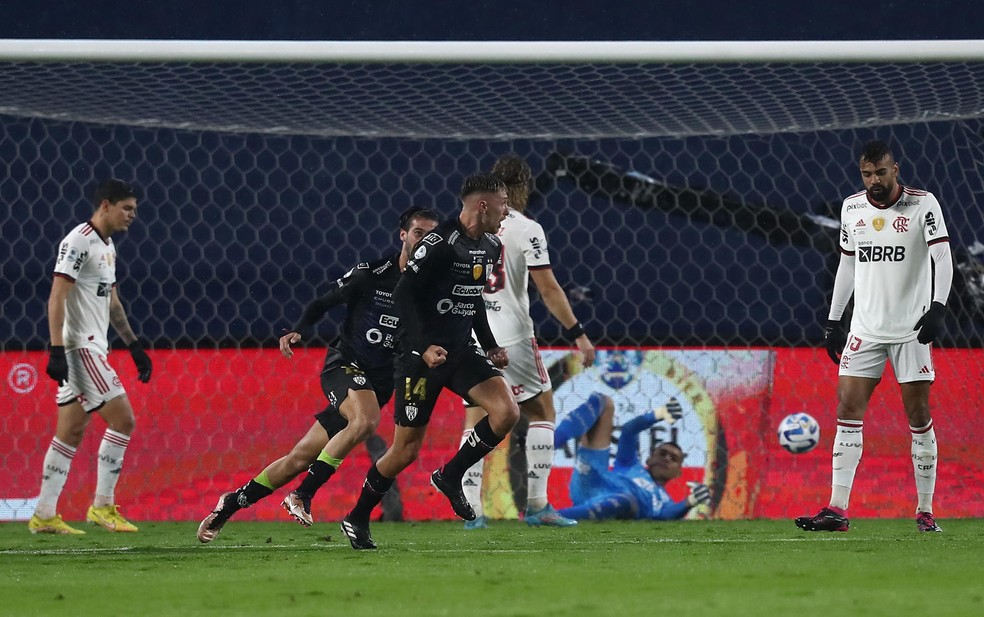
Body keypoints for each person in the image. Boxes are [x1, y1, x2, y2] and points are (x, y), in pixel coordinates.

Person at [196, 207, 439, 543]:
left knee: (300, 456)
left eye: (431, 236)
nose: (425, 241)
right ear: (403, 236)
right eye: (418, 233)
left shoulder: (429, 285)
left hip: (379, 384)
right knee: (366, 421)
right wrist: (298, 330)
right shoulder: (373, 273)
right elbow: (324, 302)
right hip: (345, 366)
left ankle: (230, 503)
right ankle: (303, 495)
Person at [339, 173, 519, 550]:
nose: (507, 210)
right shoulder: (439, 243)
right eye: (503, 202)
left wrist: (489, 345)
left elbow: (473, 301)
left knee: (506, 412)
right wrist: (422, 347)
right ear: (482, 205)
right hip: (418, 359)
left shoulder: (490, 246)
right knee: (405, 450)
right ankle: (357, 517)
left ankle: (450, 475)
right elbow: (403, 294)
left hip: (460, 352)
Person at [796, 140, 953, 534]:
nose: (874, 181)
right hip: (865, 330)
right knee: (847, 411)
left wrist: (938, 307)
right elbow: (847, 265)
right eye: (867, 174)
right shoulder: (853, 208)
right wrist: (834, 321)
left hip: (910, 331)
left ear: (895, 169)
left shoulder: (923, 205)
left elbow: (942, 257)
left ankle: (925, 510)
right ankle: (836, 508)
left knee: (917, 416)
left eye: (880, 173)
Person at [460, 154, 596, 529]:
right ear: (521, 188)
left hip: (469, 334)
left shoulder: (468, 226)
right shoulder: (527, 228)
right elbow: (549, 289)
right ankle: (537, 505)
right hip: (513, 336)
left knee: (476, 418)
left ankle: (472, 511)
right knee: (542, 413)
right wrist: (578, 334)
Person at [29, 179, 153, 535]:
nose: (133, 215)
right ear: (105, 205)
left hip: (94, 346)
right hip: (78, 347)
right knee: (124, 420)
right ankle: (102, 506)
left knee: (70, 431)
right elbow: (57, 297)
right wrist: (55, 348)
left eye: (135, 209)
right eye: (127, 208)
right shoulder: (78, 241)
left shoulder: (107, 246)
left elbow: (112, 303)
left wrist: (133, 345)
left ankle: (44, 515)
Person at [552, 392, 710, 520]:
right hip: (593, 481)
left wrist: (691, 501)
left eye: (674, 459)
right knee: (604, 402)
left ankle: (552, 518)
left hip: (620, 505)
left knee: (627, 500)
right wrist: (658, 414)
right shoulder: (629, 463)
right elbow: (629, 431)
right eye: (662, 453)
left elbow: (668, 516)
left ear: (678, 473)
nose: (667, 458)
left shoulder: (665, 501)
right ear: (649, 459)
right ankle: (549, 443)